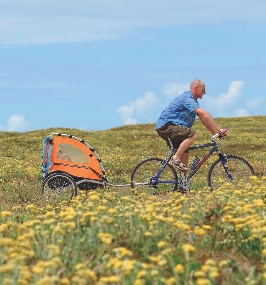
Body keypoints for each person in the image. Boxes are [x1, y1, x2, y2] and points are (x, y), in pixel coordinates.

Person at [156, 79, 227, 172]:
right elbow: (205, 114)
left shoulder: (194, 102)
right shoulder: (187, 99)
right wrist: (219, 129)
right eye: (203, 89)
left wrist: (215, 133)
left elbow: (204, 119)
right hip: (167, 126)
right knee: (192, 135)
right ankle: (175, 158)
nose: (205, 92)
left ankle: (184, 185)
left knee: (185, 155)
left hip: (169, 126)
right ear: (196, 88)